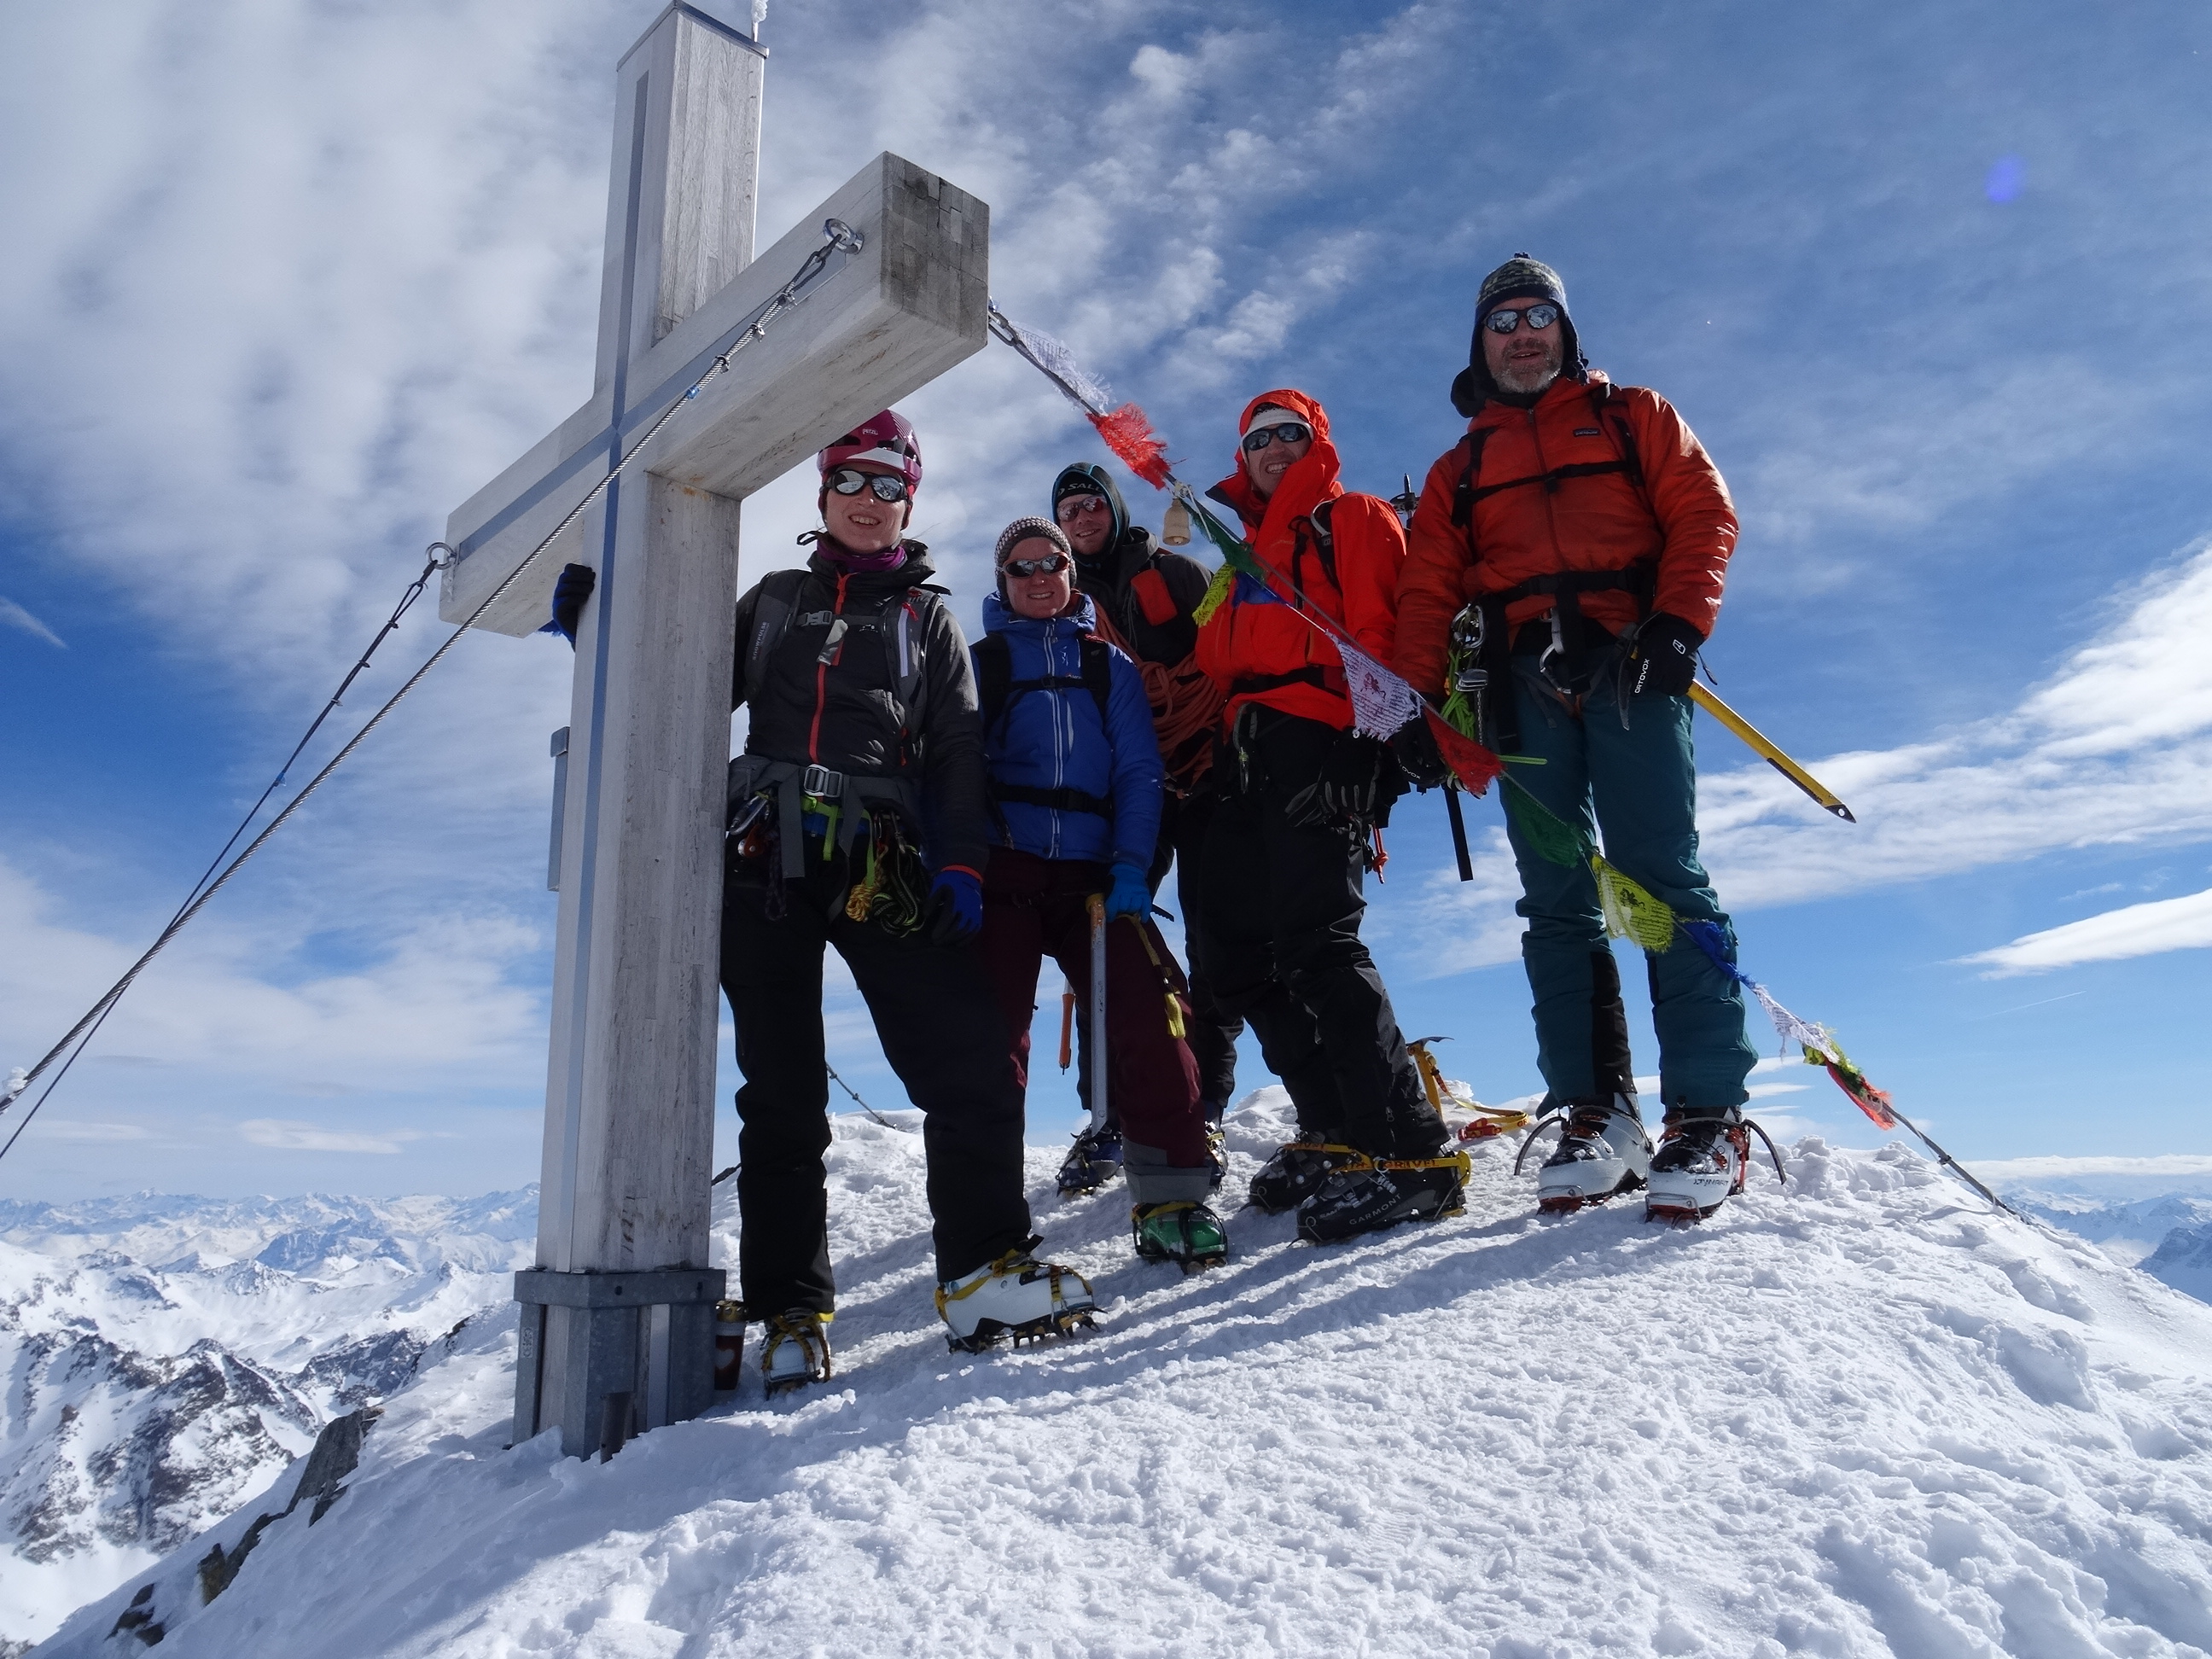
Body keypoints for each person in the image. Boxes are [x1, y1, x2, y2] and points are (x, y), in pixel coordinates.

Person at [721, 410, 1097, 1388]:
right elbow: (675, 683)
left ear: (909, 502)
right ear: (823, 493)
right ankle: (788, 1309)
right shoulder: (773, 602)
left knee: (969, 1055)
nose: (868, 499)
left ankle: (983, 1271)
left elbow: (958, 750)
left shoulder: (927, 620)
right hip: (762, 851)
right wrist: (598, 626)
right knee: (781, 1086)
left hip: (878, 856)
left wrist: (962, 866)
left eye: (889, 485)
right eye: (852, 479)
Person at [1392, 255, 1761, 1222]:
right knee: (1556, 899)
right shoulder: (1459, 470)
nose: (1521, 336)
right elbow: (1427, 588)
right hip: (1523, 689)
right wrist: (1420, 703)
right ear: (1480, 344)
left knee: (1659, 877)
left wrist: (1679, 625)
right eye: (1502, 322)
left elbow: (1703, 512)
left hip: (1634, 662)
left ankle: (1707, 1114)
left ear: (1564, 329)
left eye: (1536, 317)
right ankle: (1598, 1114)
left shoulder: (1636, 417)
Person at [1193, 389, 1463, 1244]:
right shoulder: (1241, 554)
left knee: (1319, 943)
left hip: (1324, 740)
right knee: (1238, 957)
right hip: (1246, 755)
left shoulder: (1351, 518)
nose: (1275, 448)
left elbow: (1386, 628)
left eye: (1291, 434)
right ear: (1242, 457)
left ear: (1317, 443)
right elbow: (1214, 656)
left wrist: (1370, 746)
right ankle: (1337, 1125)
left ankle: (1413, 1152)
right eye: (1259, 439)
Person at [970, 517, 1227, 1269]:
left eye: (1051, 563)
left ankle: (1174, 1196)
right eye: (1020, 568)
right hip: (1006, 869)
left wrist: (1130, 867)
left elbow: (1139, 771)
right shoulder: (980, 662)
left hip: (1094, 876)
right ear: (1002, 582)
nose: (1038, 577)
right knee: (988, 1043)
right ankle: (988, 1227)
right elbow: (954, 766)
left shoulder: (1107, 664)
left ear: (1070, 574)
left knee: (1153, 1011)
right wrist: (959, 865)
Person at [1045, 462, 1238, 1196]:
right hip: (1127, 788)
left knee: (1216, 935)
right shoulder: (1061, 602)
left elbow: (1228, 653)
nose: (1082, 517)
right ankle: (1110, 1113)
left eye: (1091, 503)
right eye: (1069, 509)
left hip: (1208, 769)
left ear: (1114, 508)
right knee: (1105, 935)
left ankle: (1204, 1103)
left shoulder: (1174, 573)